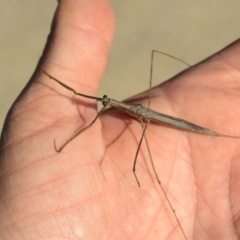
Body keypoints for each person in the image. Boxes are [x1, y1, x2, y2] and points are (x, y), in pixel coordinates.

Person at [1, 0, 240, 239]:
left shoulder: (132, 112)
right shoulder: (120, 108)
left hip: (159, 118)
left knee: (154, 171)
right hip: (146, 114)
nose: (105, 102)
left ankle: (223, 142)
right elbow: (79, 97)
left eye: (105, 101)